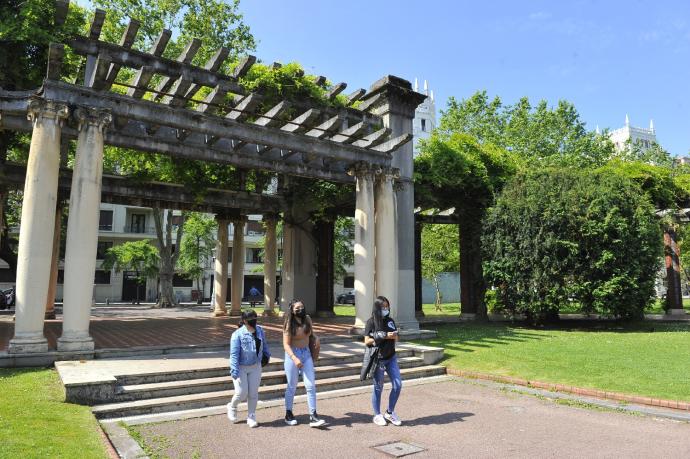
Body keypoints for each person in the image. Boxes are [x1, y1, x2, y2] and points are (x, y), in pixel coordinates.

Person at [283, 299, 325, 427]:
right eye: (297, 308)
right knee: (292, 385)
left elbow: (311, 334)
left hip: (306, 354)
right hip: (293, 355)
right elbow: (286, 344)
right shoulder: (289, 322)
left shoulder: (307, 319)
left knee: (310, 385)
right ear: (292, 310)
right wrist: (294, 358)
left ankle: (313, 415)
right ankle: (288, 413)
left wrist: (316, 338)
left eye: (302, 307)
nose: (300, 310)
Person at [364, 296, 403, 426]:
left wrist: (395, 336)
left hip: (391, 357)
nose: (386, 309)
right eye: (383, 307)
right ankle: (377, 414)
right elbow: (367, 341)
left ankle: (390, 412)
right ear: (377, 308)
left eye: (387, 306)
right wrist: (385, 336)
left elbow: (395, 337)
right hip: (379, 359)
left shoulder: (390, 320)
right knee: (378, 387)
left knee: (398, 385)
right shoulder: (371, 322)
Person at [228, 309, 270, 428]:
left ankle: (251, 416)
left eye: (255, 318)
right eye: (251, 319)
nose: (254, 321)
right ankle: (232, 406)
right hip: (241, 367)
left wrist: (267, 355)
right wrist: (234, 370)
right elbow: (234, 354)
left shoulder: (260, 330)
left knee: (253, 393)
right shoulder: (237, 334)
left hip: (256, 366)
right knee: (241, 393)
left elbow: (264, 344)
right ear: (245, 321)